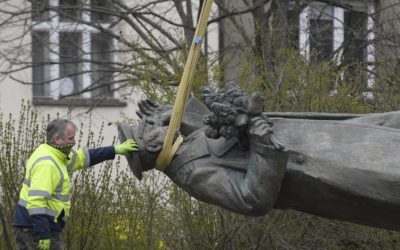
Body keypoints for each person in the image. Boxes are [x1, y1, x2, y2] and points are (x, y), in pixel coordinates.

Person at [118, 83, 400, 231]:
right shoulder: (192, 174)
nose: (152, 125)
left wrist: (179, 112)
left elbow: (217, 129)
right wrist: (261, 141)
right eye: (145, 129)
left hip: (322, 136)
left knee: (387, 129)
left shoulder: (184, 144)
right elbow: (253, 197)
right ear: (153, 146)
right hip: (322, 165)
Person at [13, 119, 138, 250]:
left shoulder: (56, 153)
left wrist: (115, 149)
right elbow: (36, 202)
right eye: (70, 138)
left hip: (40, 226)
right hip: (34, 229)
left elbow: (82, 158)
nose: (74, 142)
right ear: (57, 140)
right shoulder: (47, 164)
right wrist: (43, 235)